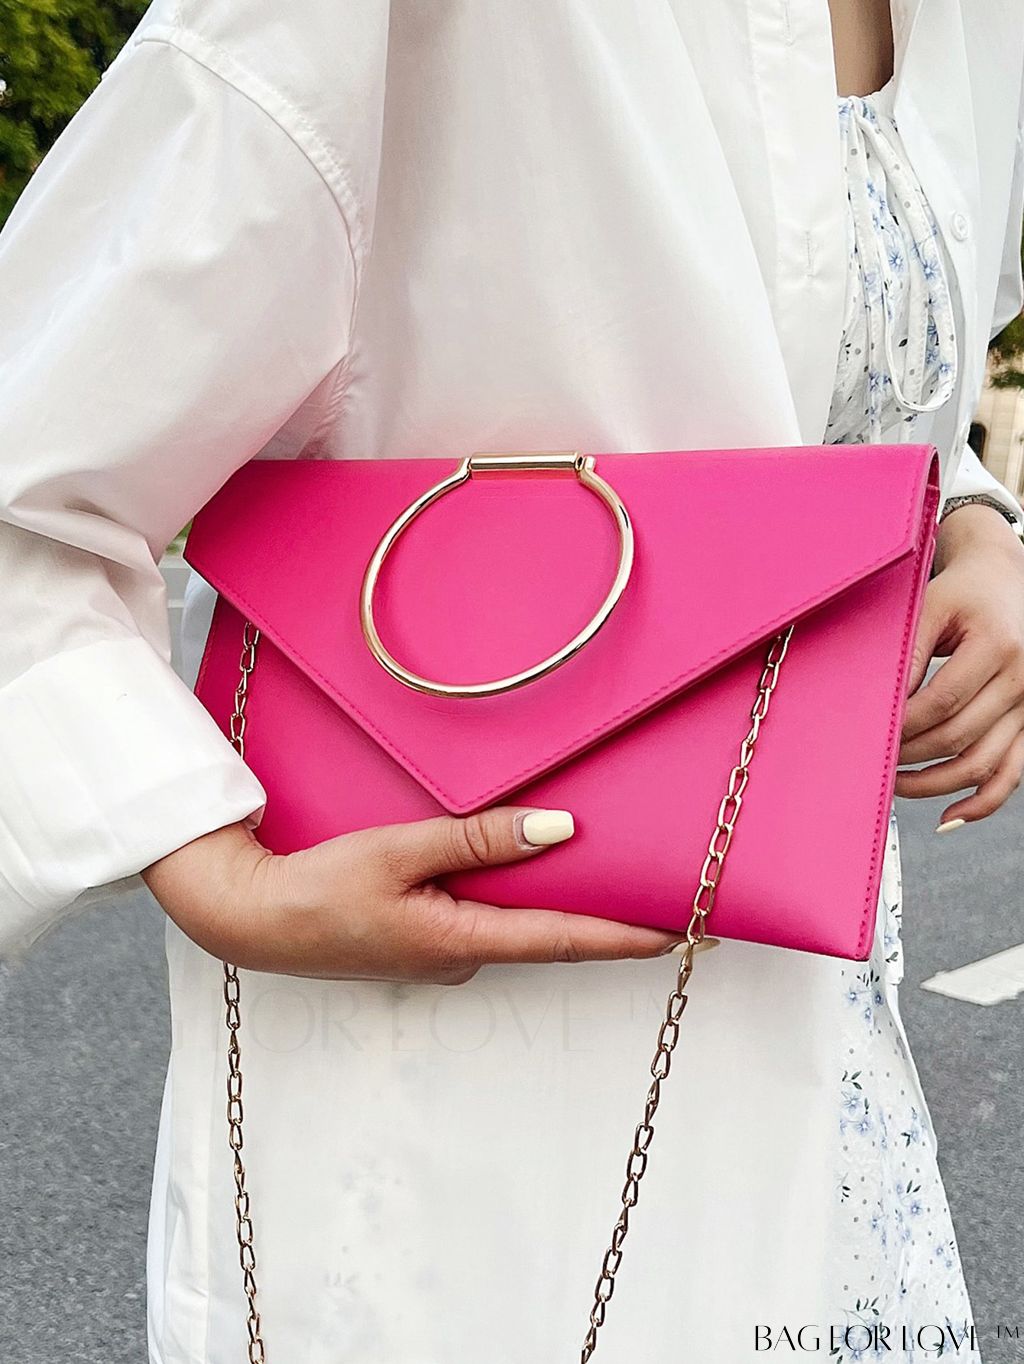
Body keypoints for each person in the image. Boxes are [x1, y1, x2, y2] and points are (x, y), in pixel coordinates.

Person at [1, 1, 1023, 1360]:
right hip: (449, 1092)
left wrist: (972, 523)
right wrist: (208, 869)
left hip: (826, 1063)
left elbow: (851, 390)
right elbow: (30, 460)